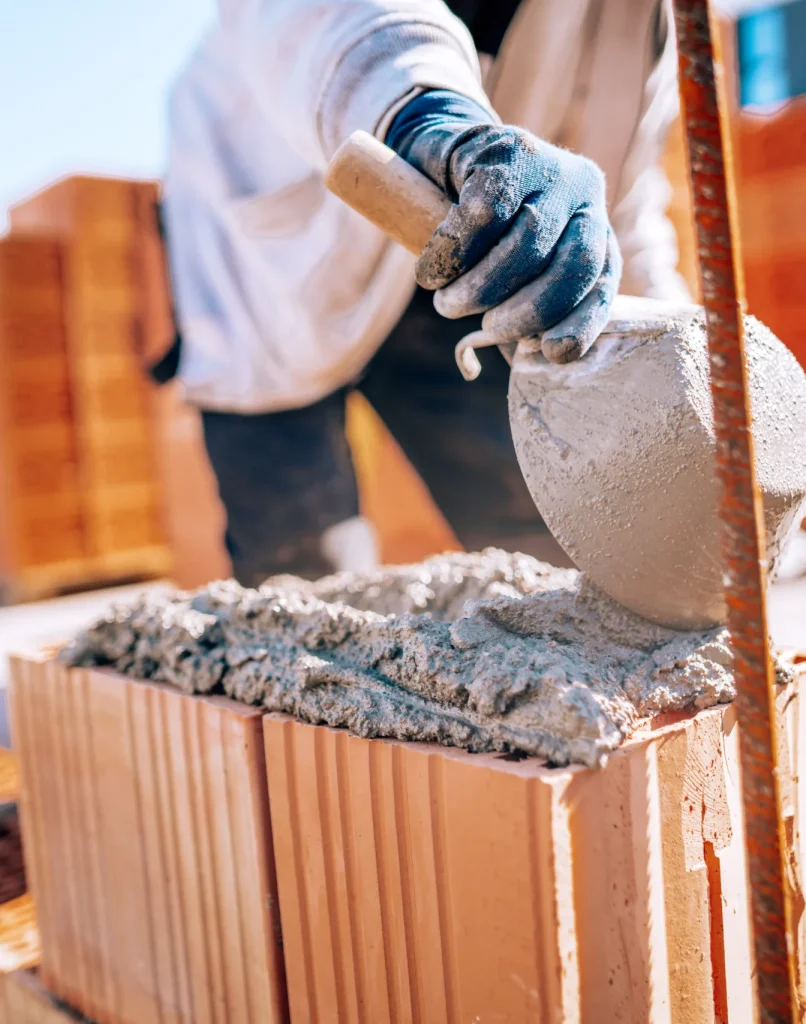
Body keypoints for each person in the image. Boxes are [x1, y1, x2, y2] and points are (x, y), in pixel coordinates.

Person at [160, 0, 690, 586]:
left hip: (463, 251)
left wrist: (686, 366)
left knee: (555, 547)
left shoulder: (649, 25)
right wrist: (433, 120)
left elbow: (625, 208)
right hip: (275, 263)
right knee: (306, 584)